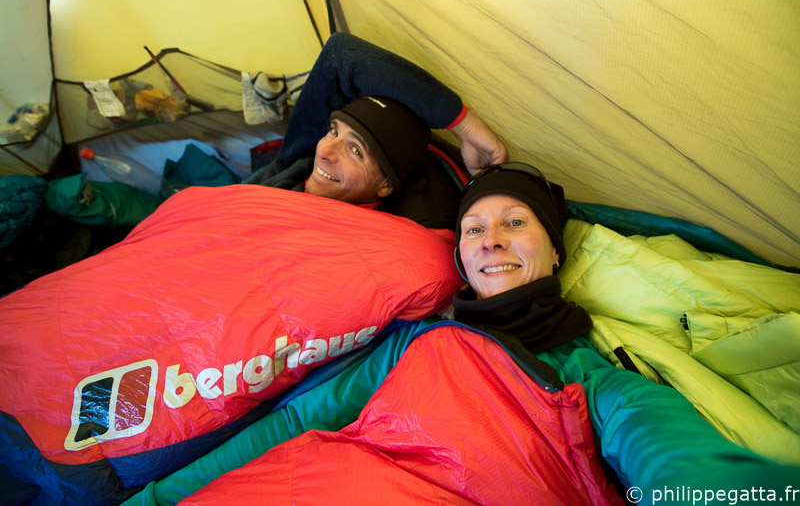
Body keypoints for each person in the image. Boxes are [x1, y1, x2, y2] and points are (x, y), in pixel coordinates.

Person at [168, 162, 798, 505]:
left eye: (515, 222)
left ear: (555, 254)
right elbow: (292, 423)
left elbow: (673, 460)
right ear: (462, 258)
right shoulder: (412, 340)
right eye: (474, 229)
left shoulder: (591, 375)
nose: (490, 239)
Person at [245, 32, 508, 221]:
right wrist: (464, 126)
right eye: (333, 131)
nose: (324, 152)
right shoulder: (295, 159)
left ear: (384, 186)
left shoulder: (375, 240)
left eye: (355, 151)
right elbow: (339, 53)